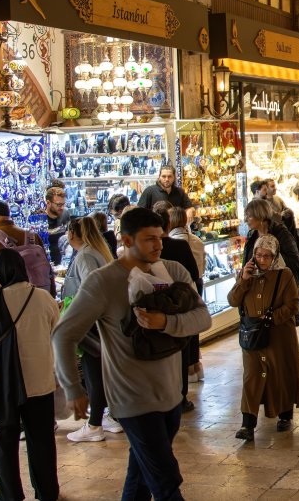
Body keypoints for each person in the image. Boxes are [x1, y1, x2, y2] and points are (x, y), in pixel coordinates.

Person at [53, 207, 210, 499]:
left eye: (160, 238)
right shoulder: (102, 281)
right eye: (149, 239)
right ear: (126, 240)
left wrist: (166, 322)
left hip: (170, 395)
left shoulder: (173, 271)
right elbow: (63, 333)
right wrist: (72, 388)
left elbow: (203, 318)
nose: (158, 245)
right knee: (166, 481)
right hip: (131, 399)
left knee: (140, 478)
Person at [0, 250, 61, 501]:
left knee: (4, 440)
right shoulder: (43, 297)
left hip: (1, 384)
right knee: (42, 440)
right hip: (39, 382)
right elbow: (54, 330)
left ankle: (10, 494)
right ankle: (47, 491)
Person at [228, 234, 299, 441]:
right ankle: (247, 424)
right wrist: (244, 280)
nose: (261, 260)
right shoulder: (247, 274)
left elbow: (292, 305)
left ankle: (285, 415)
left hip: (279, 336)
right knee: (252, 376)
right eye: (258, 255)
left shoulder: (284, 275)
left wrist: (269, 319)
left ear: (274, 256)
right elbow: (233, 300)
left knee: (280, 373)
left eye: (266, 256)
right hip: (252, 336)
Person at [61, 217, 123, 443]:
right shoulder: (96, 252)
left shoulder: (85, 255)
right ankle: (104, 416)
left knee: (92, 372)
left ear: (72, 234)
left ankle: (95, 423)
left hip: (90, 322)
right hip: (98, 320)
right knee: (97, 370)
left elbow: (90, 287)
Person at [152, 202, 203, 413]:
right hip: (179, 306)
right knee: (179, 351)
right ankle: (180, 397)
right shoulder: (181, 246)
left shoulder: (164, 253)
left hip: (161, 308)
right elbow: (193, 273)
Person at [243, 199, 299, 287]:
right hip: (258, 287)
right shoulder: (251, 235)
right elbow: (246, 263)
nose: (245, 220)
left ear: (260, 216)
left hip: (280, 287)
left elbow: (295, 262)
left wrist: (271, 256)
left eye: (249, 216)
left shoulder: (281, 232)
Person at [167, 207, 205, 278]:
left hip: (181, 285)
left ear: (169, 221)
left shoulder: (171, 243)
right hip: (198, 280)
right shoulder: (197, 240)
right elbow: (204, 262)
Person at [42, 187, 71, 264]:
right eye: (58, 205)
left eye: (63, 204)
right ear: (48, 203)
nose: (62, 207)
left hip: (63, 262)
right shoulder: (41, 220)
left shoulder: (65, 213)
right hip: (45, 262)